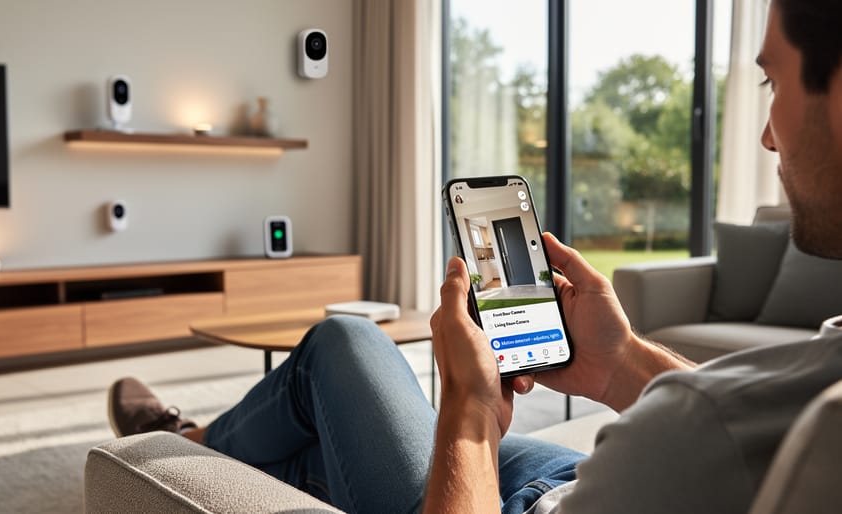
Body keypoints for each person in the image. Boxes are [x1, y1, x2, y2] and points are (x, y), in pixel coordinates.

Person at [107, 1, 842, 512]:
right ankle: (197, 442)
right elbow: (760, 419)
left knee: (344, 340)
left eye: (772, 81)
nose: (767, 136)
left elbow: (717, 426)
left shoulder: (682, 434)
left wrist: (466, 409)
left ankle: (183, 441)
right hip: (570, 480)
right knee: (328, 442)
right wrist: (621, 364)